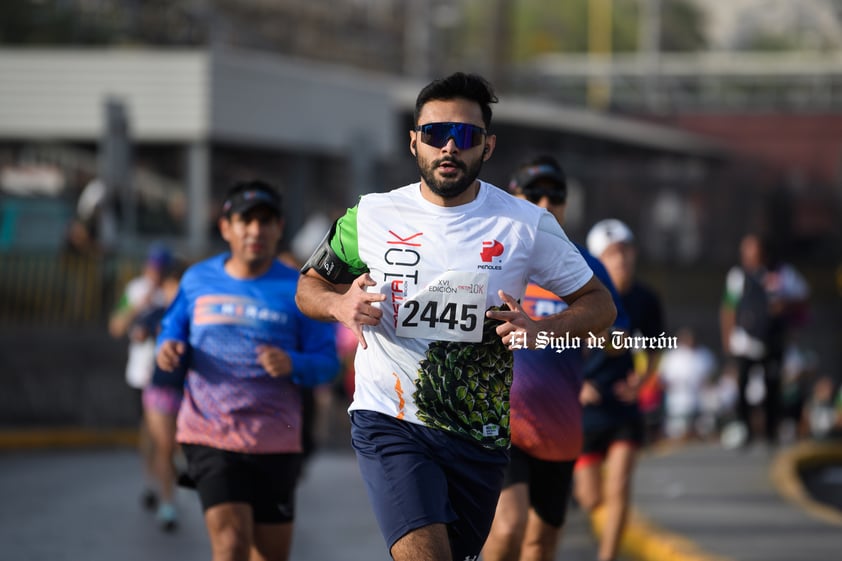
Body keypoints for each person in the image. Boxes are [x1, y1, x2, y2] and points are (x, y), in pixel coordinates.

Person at [294, 72, 617, 561]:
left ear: (486, 147)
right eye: (434, 134)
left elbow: (600, 304)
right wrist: (339, 305)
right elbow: (308, 286)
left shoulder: (525, 224)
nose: (448, 146)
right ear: (414, 142)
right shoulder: (373, 214)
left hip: (478, 432)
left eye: (464, 136)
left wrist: (543, 330)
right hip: (390, 418)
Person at [155, 180, 340, 561]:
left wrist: (295, 364)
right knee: (231, 544)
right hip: (209, 434)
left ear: (279, 227)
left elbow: (328, 365)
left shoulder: (301, 289)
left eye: (266, 220)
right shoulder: (196, 279)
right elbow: (171, 328)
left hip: (276, 440)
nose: (256, 230)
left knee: (269, 555)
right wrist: (167, 348)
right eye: (245, 220)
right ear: (226, 227)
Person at [482, 155, 629, 561]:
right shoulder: (491, 255)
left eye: (556, 195)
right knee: (509, 526)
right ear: (513, 196)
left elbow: (617, 338)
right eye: (534, 194)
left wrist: (582, 332)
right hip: (500, 417)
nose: (546, 204)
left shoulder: (584, 268)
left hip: (559, 424)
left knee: (541, 542)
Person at [577, 218, 666, 561]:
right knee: (591, 498)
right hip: (586, 407)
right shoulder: (581, 295)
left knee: (619, 487)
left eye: (627, 252)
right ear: (599, 260)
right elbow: (561, 347)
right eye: (613, 254)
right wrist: (578, 384)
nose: (622, 260)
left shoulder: (646, 299)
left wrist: (643, 382)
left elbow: (657, 348)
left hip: (624, 406)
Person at [720, 232, 810, 449]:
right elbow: (728, 308)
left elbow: (803, 296)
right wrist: (727, 337)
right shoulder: (738, 275)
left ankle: (770, 433)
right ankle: (744, 428)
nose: (746, 254)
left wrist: (785, 305)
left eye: (751, 249)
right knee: (742, 384)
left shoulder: (783, 273)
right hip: (745, 341)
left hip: (773, 340)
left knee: (772, 385)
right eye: (744, 249)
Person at [108, 242, 174, 514]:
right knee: (149, 434)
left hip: (168, 374)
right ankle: (152, 483)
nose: (156, 273)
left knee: (166, 437)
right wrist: (137, 307)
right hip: (141, 375)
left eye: (162, 269)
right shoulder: (134, 290)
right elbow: (116, 325)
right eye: (153, 267)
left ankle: (165, 488)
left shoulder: (173, 292)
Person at [657, 327, 717, 441]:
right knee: (677, 432)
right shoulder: (672, 356)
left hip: (700, 398)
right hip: (679, 399)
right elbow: (662, 379)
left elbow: (712, 377)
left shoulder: (704, 354)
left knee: (703, 429)